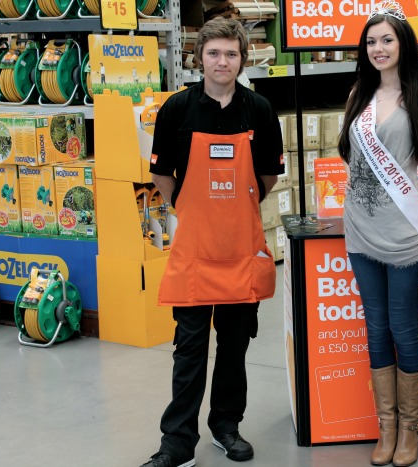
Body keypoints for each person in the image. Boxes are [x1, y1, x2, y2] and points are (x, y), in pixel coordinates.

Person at [141, 17, 284, 467]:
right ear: (198, 57)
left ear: (242, 59)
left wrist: (234, 209)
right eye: (214, 53)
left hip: (241, 250)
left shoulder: (259, 110)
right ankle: (177, 443)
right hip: (196, 253)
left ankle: (226, 425)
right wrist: (187, 206)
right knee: (189, 350)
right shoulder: (177, 110)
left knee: (235, 346)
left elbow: (267, 176)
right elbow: (162, 174)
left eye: (232, 54)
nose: (223, 62)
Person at [337, 2, 418, 466]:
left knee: (404, 327)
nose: (378, 48)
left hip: (405, 236)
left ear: (403, 45)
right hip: (361, 232)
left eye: (387, 40)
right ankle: (386, 426)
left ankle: (409, 428)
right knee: (375, 328)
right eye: (371, 41)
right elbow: (351, 161)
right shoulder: (358, 94)